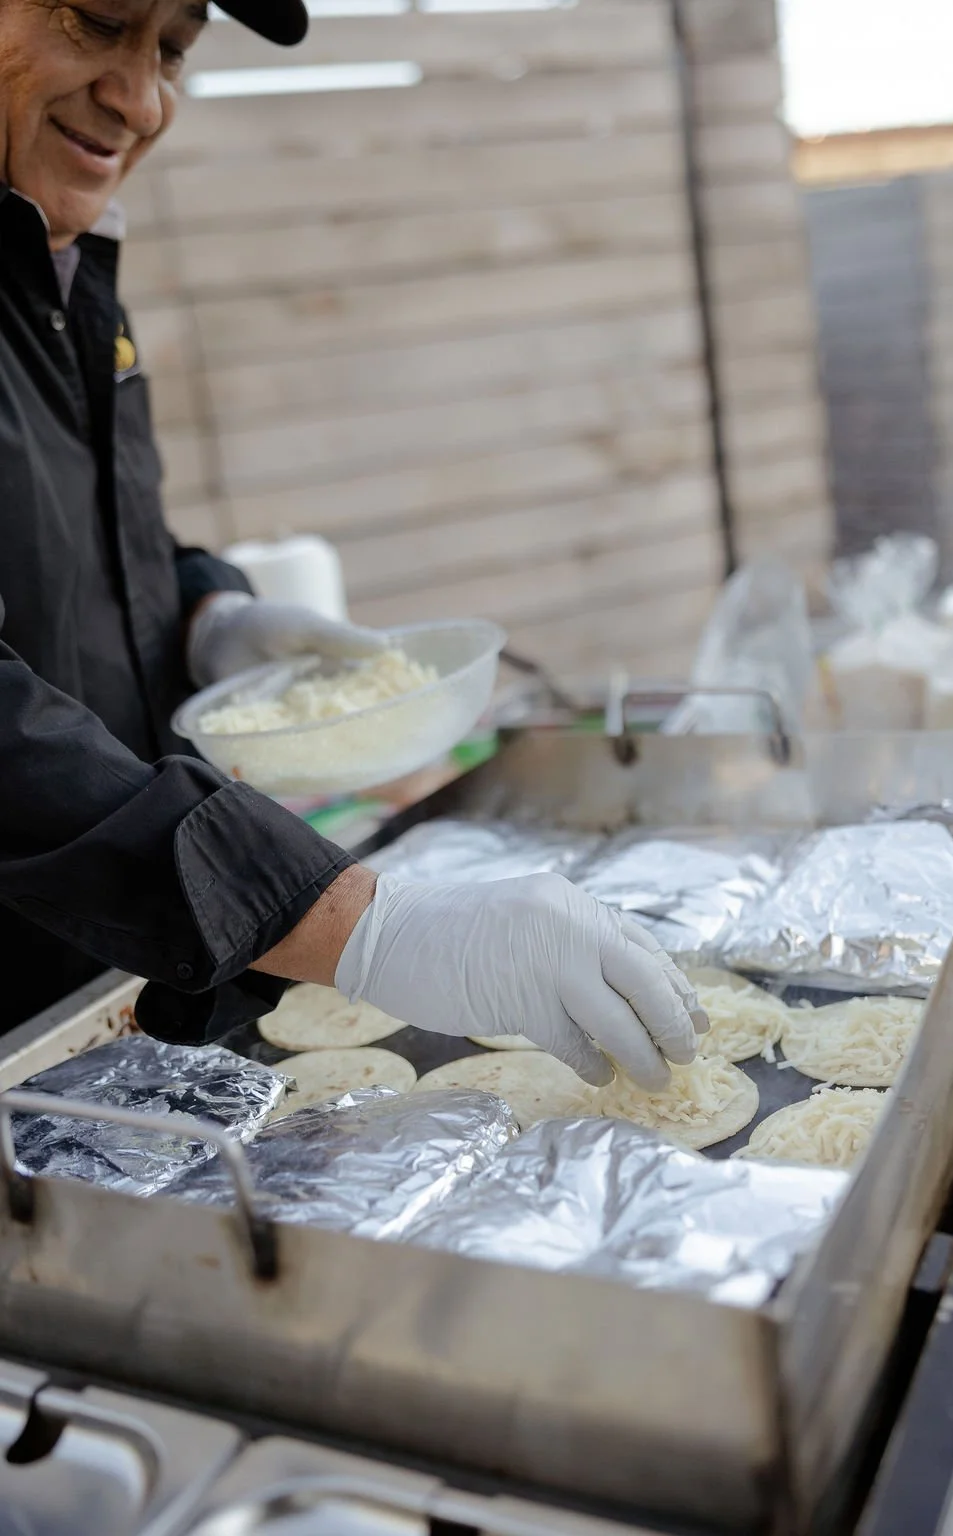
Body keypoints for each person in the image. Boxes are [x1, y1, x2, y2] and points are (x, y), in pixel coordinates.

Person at [0, 0, 707, 1088]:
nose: (141, 99)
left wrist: (207, 616)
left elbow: (77, 555)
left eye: (174, 51)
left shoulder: (54, 270)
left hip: (91, 995)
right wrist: (357, 923)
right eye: (98, 20)